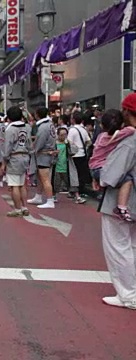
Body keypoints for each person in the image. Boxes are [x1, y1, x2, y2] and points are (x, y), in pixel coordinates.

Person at [98, 124, 136, 310]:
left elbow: (110, 175)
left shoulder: (130, 141)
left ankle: (128, 294)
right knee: (132, 246)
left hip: (124, 201)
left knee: (118, 246)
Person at [90, 108, 136, 222]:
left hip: (97, 168)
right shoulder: (121, 136)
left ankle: (121, 207)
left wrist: (99, 179)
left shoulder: (103, 137)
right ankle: (121, 207)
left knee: (117, 238)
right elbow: (129, 130)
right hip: (103, 168)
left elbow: (110, 177)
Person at [2, 106, 32, 217]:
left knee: (14, 184)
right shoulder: (26, 127)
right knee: (22, 184)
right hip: (25, 156)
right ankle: (24, 207)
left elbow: (7, 147)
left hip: (14, 157)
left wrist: (4, 160)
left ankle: (17, 209)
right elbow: (29, 143)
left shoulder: (10, 129)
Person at [28, 107, 58, 209]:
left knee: (45, 178)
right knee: (41, 177)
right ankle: (38, 196)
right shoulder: (50, 125)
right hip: (47, 153)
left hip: (43, 154)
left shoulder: (43, 127)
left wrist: (33, 149)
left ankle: (50, 200)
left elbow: (39, 142)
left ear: (37, 115)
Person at [67, 111, 92, 201]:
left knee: (74, 174)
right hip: (82, 153)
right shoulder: (84, 130)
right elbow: (89, 142)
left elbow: (69, 142)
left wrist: (74, 147)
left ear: (73, 120)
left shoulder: (72, 130)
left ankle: (74, 191)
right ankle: (79, 191)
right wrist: (83, 147)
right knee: (81, 173)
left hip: (74, 155)